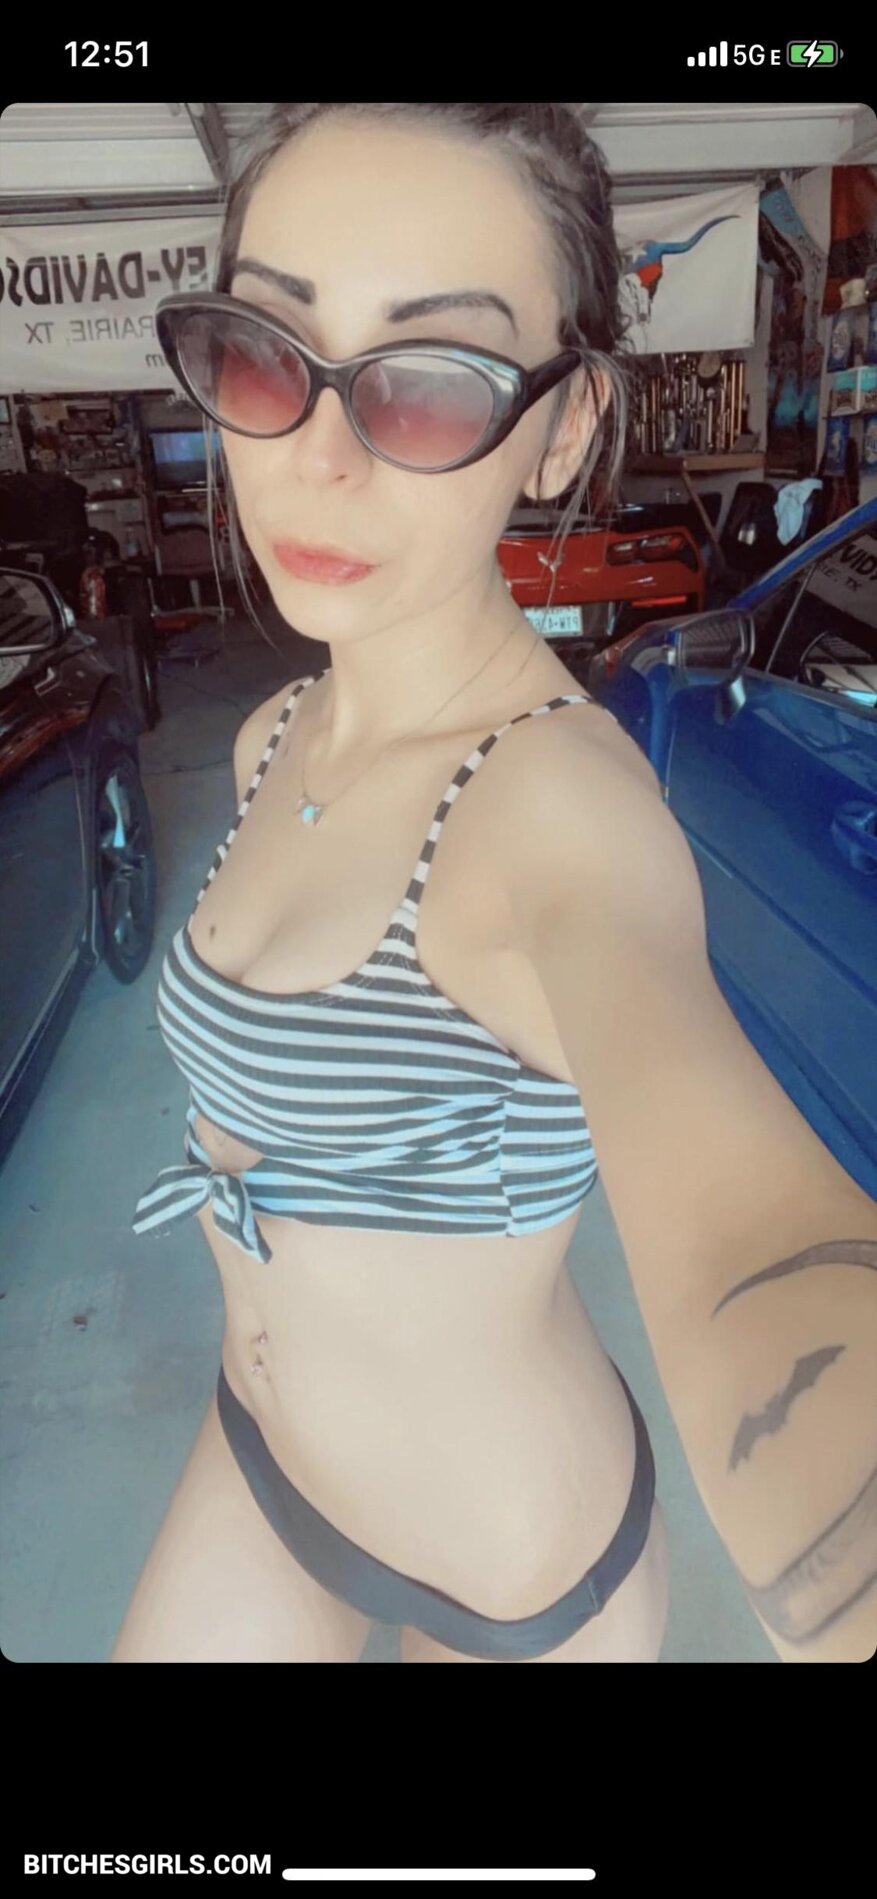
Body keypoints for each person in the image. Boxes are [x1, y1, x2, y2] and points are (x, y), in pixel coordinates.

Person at [115, 103, 877, 1665]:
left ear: (563, 426)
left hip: (511, 1570)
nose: (316, 459)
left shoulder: (549, 811)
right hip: (258, 1450)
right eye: (263, 353)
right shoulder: (273, 733)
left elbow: (745, 1241)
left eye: (431, 380)